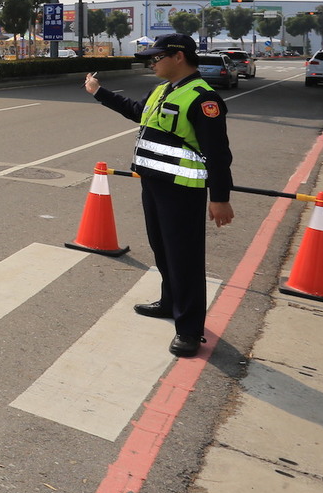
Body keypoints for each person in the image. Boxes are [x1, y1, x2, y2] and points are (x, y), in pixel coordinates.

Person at [83, 33, 235, 357]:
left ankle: (190, 330)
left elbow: (218, 153)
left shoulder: (202, 98)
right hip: (153, 184)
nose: (152, 62)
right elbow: (137, 112)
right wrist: (100, 93)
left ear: (178, 57)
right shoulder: (163, 90)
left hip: (182, 191)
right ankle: (170, 303)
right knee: (163, 251)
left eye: (157, 56)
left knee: (185, 259)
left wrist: (220, 198)